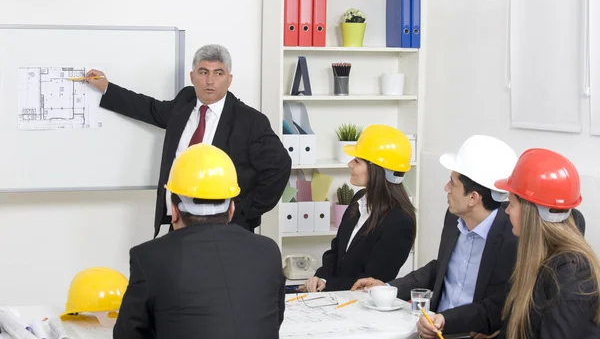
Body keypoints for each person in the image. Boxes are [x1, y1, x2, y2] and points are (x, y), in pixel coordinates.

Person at [85, 44, 291, 237]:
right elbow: (149, 108)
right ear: (192, 77)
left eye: (218, 73)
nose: (210, 81)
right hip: (179, 224)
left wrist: (244, 211)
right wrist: (106, 88)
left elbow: (279, 167)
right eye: (203, 72)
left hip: (226, 229)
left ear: (229, 79)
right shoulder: (184, 103)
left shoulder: (249, 121)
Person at [351, 135, 519, 338]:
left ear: (473, 198)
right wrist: (387, 287)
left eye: (452, 183)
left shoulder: (513, 236)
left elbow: (511, 302)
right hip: (434, 328)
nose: (446, 188)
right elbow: (439, 270)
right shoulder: (454, 217)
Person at [113, 143, 286, 339]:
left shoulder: (148, 258)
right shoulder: (268, 251)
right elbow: (274, 320)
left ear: (175, 211)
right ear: (231, 210)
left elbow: (128, 334)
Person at [492, 148, 600, 338]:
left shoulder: (572, 273)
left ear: (530, 213)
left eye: (511, 204)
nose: (507, 211)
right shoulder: (537, 256)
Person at [300, 125, 417, 293]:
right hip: (334, 295)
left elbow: (373, 279)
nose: (349, 164)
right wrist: (321, 278)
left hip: (360, 304)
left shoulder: (399, 221)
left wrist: (328, 285)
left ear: (377, 170)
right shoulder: (359, 199)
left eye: (357, 161)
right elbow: (336, 251)